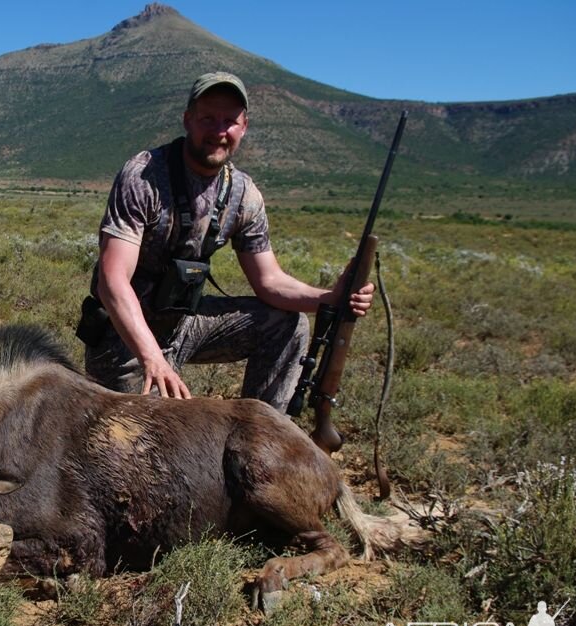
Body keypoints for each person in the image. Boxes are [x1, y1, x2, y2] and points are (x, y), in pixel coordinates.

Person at [78, 72, 374, 411]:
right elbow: (112, 280)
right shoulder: (143, 176)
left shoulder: (243, 194)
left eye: (229, 121)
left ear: (244, 126)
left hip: (184, 324)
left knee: (288, 323)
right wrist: (153, 358)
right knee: (158, 444)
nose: (219, 131)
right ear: (188, 120)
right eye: (207, 119)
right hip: (125, 336)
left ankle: (266, 436)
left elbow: (270, 282)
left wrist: (330, 299)